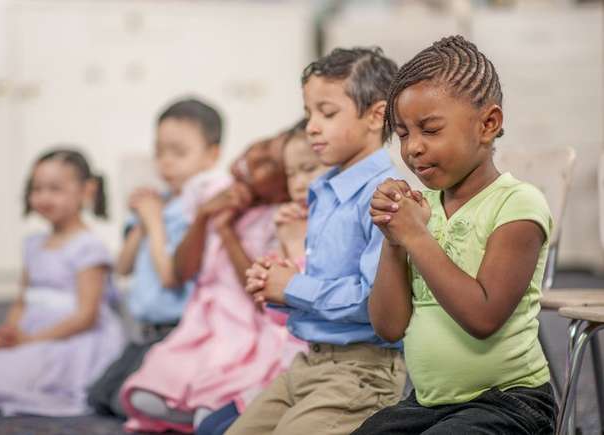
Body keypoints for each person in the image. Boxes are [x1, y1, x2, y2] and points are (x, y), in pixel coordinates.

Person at [354, 35, 556, 434]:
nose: (413, 148)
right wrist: (394, 240)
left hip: (509, 402)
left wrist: (416, 237)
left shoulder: (517, 204)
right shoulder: (422, 208)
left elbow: (483, 317)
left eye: (429, 129)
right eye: (404, 134)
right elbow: (389, 326)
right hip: (428, 404)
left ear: (488, 124)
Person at [234, 47, 406, 435]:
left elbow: (376, 303)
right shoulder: (324, 188)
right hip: (308, 363)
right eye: (310, 112)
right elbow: (321, 277)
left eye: (327, 114)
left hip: (362, 371)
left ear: (376, 115)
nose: (311, 126)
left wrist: (292, 286)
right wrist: (276, 281)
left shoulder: (384, 194)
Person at [120, 131, 293, 433]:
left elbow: (258, 290)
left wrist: (227, 232)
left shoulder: (277, 218)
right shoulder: (212, 191)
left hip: (244, 325)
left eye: (267, 164)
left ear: (284, 185)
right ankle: (195, 413)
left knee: (209, 408)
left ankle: (210, 413)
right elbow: (182, 271)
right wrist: (203, 217)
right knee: (141, 396)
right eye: (259, 146)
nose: (252, 160)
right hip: (201, 320)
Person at [0, 148, 125, 417]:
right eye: (37, 189)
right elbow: (22, 301)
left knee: (7, 373)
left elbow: (86, 316)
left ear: (87, 191)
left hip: (71, 339)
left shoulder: (89, 248)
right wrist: (11, 332)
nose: (44, 197)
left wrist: (32, 341)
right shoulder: (33, 244)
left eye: (55, 189)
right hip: (30, 334)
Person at [89, 98, 222, 418]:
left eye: (178, 152)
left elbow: (171, 276)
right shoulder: (157, 201)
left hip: (178, 329)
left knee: (126, 401)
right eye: (159, 151)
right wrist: (140, 222)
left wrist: (154, 222)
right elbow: (122, 267)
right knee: (99, 396)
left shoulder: (200, 210)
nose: (166, 162)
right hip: (143, 330)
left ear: (211, 155)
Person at [196, 120, 329, 435]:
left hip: (318, 365)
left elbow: (308, 297)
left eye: (308, 169)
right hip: (288, 360)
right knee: (207, 427)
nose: (297, 183)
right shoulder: (287, 220)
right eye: (292, 172)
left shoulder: (329, 226)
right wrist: (271, 271)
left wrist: (294, 247)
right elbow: (274, 310)